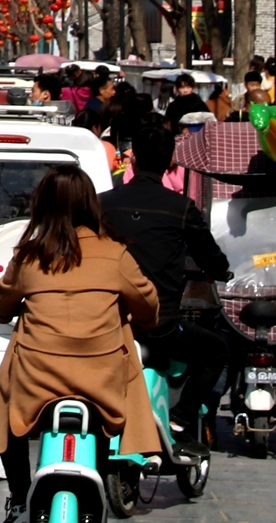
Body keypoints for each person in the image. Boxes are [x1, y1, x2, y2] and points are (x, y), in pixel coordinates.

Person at [0, 166, 159, 522]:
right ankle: (101, 489)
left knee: (9, 412)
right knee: (104, 419)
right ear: (91, 204)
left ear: (43, 206)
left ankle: (19, 497)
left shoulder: (29, 256)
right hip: (100, 379)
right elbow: (148, 307)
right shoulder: (115, 254)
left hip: (37, 379)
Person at [100, 123, 232, 441]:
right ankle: (182, 416)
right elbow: (212, 259)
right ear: (170, 160)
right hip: (162, 328)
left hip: (107, 324)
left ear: (133, 158)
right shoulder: (180, 208)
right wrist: (219, 271)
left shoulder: (101, 203)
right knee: (216, 351)